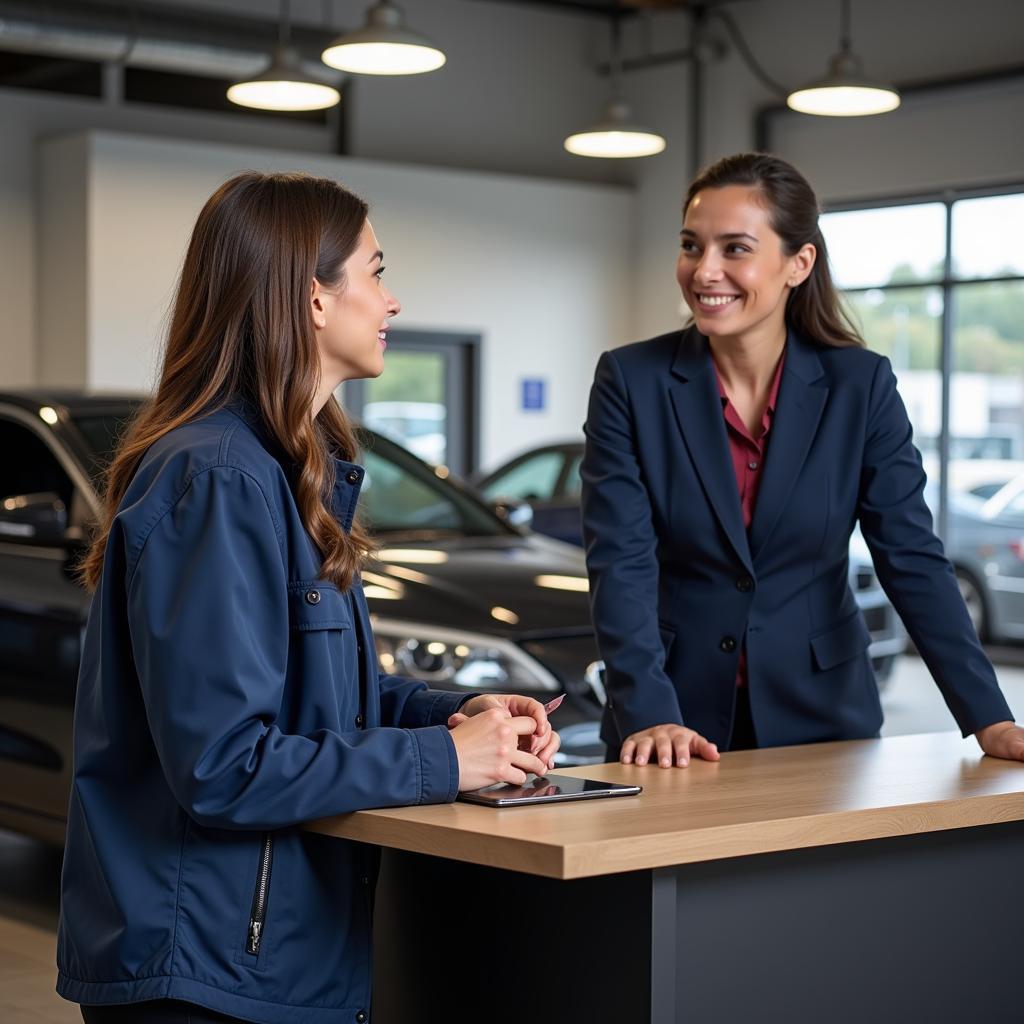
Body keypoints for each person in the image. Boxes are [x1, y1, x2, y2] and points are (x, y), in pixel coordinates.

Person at [57, 172, 560, 1024]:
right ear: (312, 298)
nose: (392, 302)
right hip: (204, 974)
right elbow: (226, 765)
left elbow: (315, 697)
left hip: (261, 961)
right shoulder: (216, 478)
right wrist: (446, 763)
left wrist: (455, 717)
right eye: (375, 271)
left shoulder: (286, 469)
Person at [580, 152, 1024, 770]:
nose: (704, 271)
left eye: (735, 249)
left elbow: (911, 556)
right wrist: (651, 710)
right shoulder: (631, 380)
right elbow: (620, 562)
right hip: (671, 720)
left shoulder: (859, 386)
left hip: (824, 715)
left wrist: (989, 717)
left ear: (799, 262)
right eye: (691, 245)